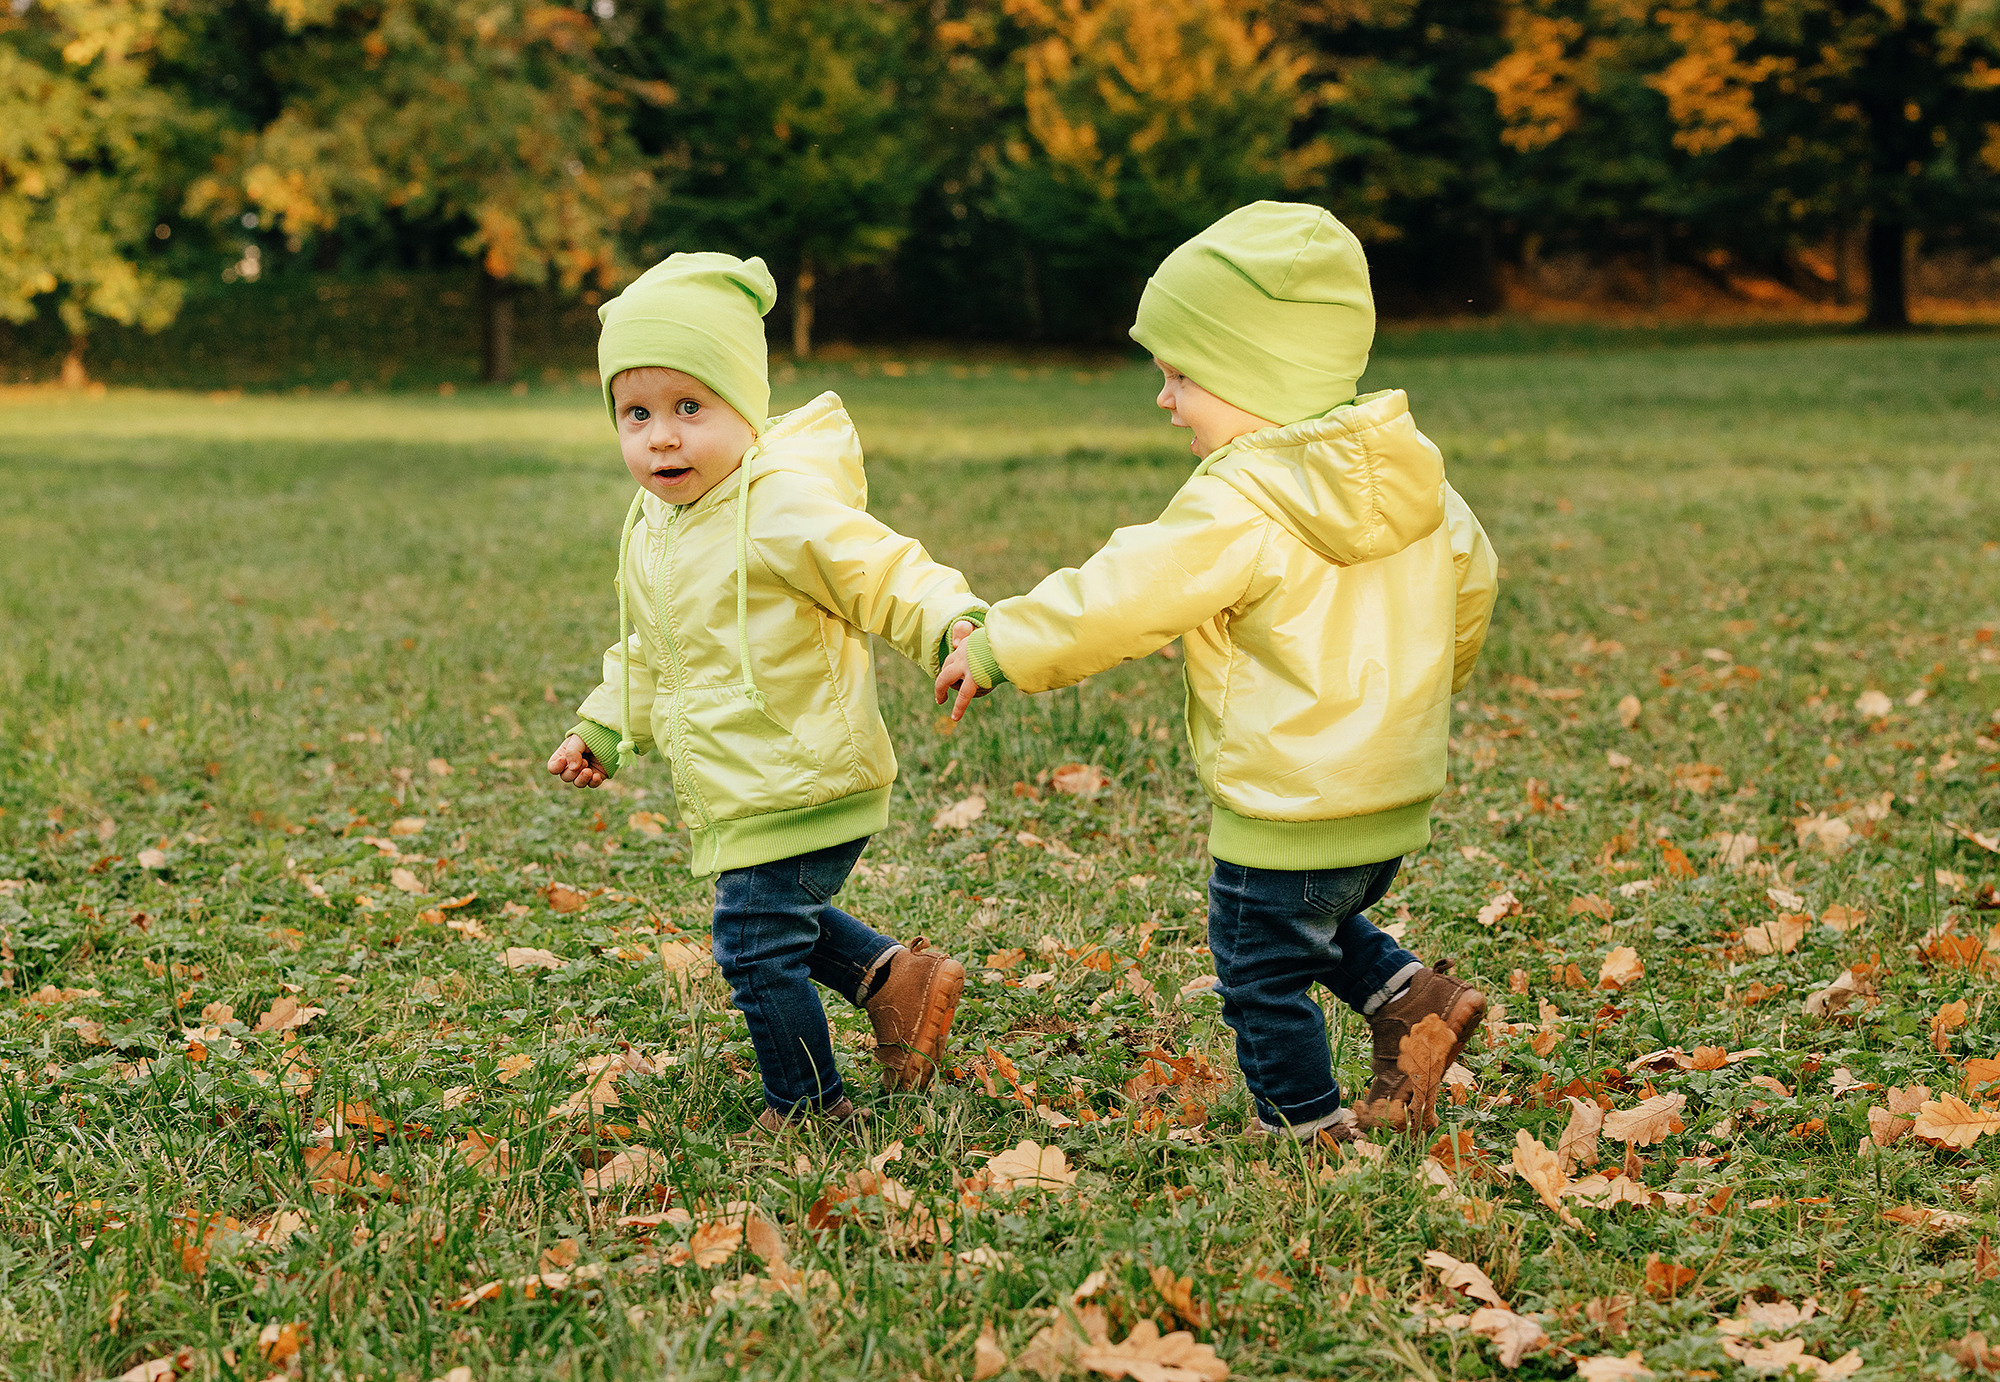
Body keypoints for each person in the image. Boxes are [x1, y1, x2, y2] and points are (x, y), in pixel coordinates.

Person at [935, 202, 1499, 1145]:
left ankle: (1306, 1130)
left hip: (1287, 795)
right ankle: (1413, 1001)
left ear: (1256, 380)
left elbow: (1121, 593)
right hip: (1390, 791)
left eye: (1182, 376)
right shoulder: (1417, 480)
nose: (1166, 398)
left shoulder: (1240, 498)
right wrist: (1414, 696)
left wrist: (1004, 644)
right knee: (1309, 920)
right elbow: (1468, 588)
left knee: (1257, 964)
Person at [548, 252, 984, 1132]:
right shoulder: (658, 527)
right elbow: (650, 646)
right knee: (772, 916)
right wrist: (604, 726)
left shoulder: (782, 505)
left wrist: (952, 623)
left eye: (689, 408)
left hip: (806, 768)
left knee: (752, 942)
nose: (661, 437)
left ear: (746, 410)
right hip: (744, 777)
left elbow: (881, 570)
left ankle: (811, 1108)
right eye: (636, 414)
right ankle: (898, 981)